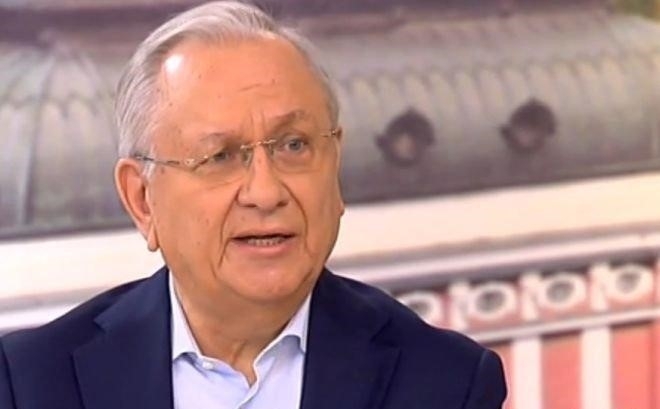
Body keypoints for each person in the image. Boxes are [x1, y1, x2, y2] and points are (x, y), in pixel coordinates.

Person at [0, 2, 507, 408]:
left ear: (335, 166)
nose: (266, 193)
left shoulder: (446, 384)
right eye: (220, 156)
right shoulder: (29, 384)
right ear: (142, 199)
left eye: (294, 146)